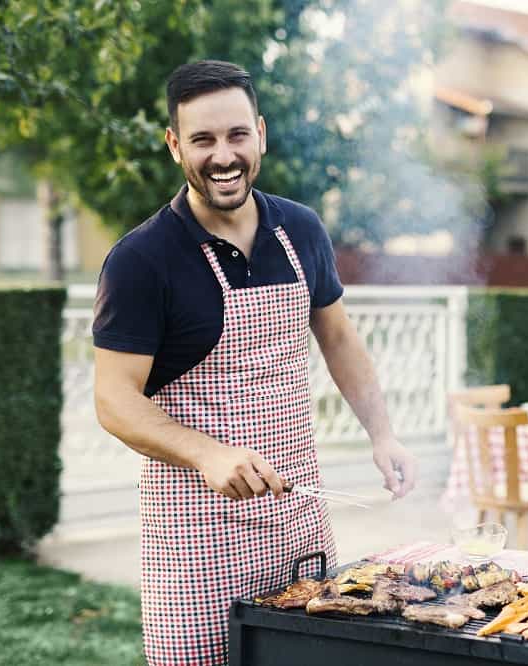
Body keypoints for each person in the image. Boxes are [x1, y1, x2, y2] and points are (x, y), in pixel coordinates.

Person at [92, 59, 417, 665]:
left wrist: (383, 433)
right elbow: (113, 400)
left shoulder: (301, 228)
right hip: (194, 539)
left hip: (297, 521)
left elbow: (339, 339)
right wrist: (208, 453)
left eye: (237, 135)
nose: (223, 156)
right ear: (174, 145)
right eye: (203, 139)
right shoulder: (141, 260)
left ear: (261, 133)